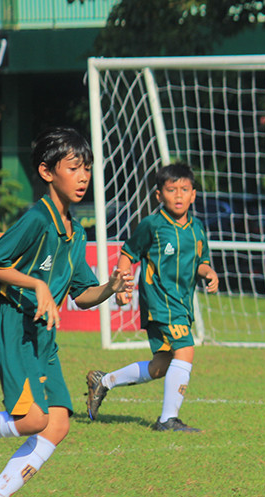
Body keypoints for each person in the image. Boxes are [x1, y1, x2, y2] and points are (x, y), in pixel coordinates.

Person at [0, 126, 133, 497]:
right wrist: (36, 283)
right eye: (74, 167)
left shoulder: (75, 232)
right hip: (15, 324)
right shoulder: (37, 219)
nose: (84, 176)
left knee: (56, 424)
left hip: (44, 337)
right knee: (32, 419)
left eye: (87, 168)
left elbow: (82, 295)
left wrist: (111, 287)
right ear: (47, 171)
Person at [85, 163, 219, 432]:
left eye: (184, 189)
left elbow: (200, 262)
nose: (178, 195)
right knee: (186, 350)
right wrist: (120, 287)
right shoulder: (152, 225)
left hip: (182, 302)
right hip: (160, 300)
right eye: (171, 190)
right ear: (159, 196)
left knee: (161, 366)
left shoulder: (197, 228)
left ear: (194, 194)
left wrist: (209, 272)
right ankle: (167, 419)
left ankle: (105, 380)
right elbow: (128, 254)